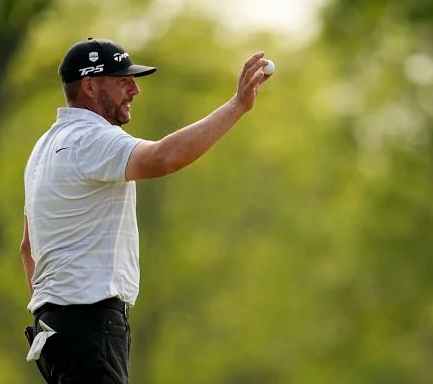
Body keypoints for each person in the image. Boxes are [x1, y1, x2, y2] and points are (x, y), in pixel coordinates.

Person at [20, 37, 272, 383]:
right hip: (90, 324)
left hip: (54, 330)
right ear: (90, 86)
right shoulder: (90, 139)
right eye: (123, 81)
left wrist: (55, 315)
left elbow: (27, 249)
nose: (135, 89)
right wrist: (237, 106)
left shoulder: (44, 147)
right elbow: (163, 158)